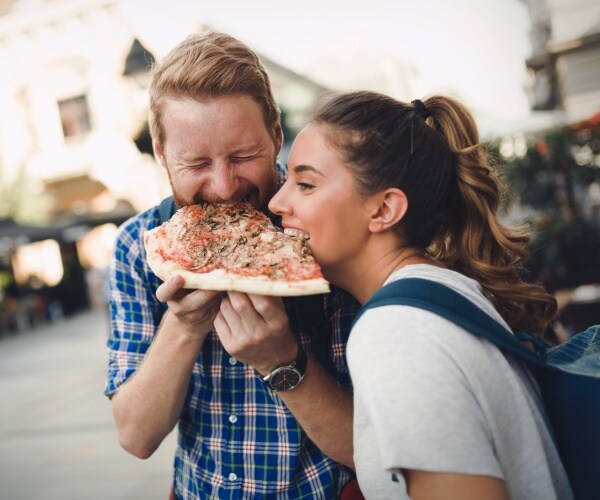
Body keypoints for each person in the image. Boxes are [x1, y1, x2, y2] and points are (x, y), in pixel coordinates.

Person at [269, 91, 574, 500]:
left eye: (305, 184)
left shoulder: (395, 332)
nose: (277, 202)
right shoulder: (442, 290)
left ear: (383, 210)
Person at [104, 32, 359, 499]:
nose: (223, 187)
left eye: (243, 156)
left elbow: (368, 448)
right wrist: (183, 326)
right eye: (196, 162)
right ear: (162, 154)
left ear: (276, 135)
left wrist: (282, 361)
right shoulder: (136, 246)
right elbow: (136, 437)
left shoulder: (326, 228)